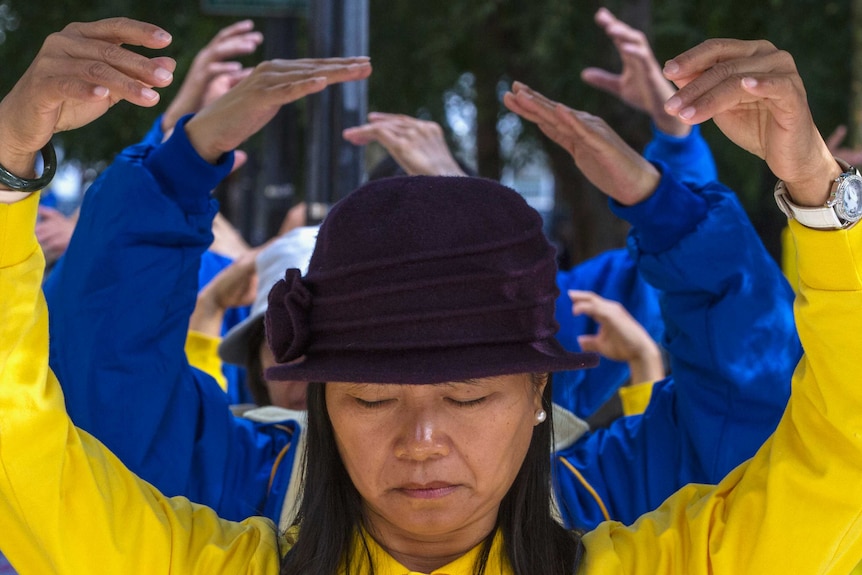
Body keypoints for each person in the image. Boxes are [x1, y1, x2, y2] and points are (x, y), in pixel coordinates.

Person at [3, 18, 862, 575]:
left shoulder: (644, 530)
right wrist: (23, 162)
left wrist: (817, 196)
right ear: (323, 397)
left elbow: (829, 444)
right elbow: (31, 433)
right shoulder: (213, 521)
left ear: (538, 394)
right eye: (371, 393)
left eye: (468, 391)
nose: (421, 439)